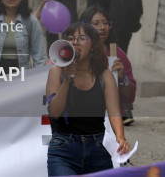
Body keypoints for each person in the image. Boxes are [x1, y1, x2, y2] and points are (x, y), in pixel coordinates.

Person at [45, 20, 130, 175]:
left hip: (97, 149)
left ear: (93, 45)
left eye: (82, 38)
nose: (75, 43)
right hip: (63, 150)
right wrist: (68, 78)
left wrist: (120, 137)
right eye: (71, 38)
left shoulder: (105, 75)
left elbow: (114, 112)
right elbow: (55, 112)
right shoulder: (56, 72)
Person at [80, 5, 137, 125]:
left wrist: (122, 78)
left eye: (105, 23)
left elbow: (129, 97)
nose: (102, 27)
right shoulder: (77, 52)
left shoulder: (117, 54)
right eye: (96, 23)